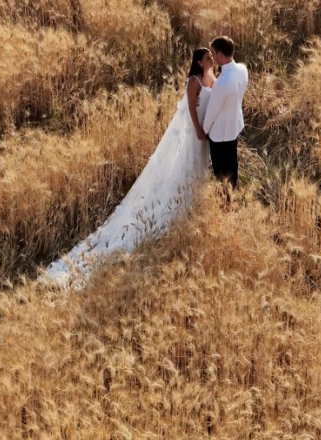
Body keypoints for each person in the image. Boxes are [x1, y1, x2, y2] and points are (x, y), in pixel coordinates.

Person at [45, 47, 215, 287]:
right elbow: (190, 109)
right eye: (208, 57)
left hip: (205, 138)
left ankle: (194, 205)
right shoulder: (194, 81)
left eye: (211, 56)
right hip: (193, 135)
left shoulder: (213, 77)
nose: (211, 60)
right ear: (199, 61)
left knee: (198, 170)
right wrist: (198, 131)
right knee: (184, 169)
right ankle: (176, 209)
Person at [202, 35, 248, 189]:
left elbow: (211, 112)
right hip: (234, 126)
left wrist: (205, 129)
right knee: (232, 164)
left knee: (220, 171)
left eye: (213, 54)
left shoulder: (222, 82)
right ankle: (233, 193)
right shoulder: (242, 69)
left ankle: (224, 200)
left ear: (220, 55)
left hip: (219, 133)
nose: (212, 57)